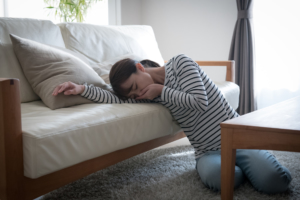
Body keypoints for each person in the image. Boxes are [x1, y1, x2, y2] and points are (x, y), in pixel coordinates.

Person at [52, 54, 292, 194]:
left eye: (136, 87)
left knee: (276, 181)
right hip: (207, 152)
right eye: (133, 95)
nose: (139, 94)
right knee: (223, 179)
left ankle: (254, 159)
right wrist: (82, 89)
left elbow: (200, 102)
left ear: (140, 67)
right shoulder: (150, 94)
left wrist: (162, 90)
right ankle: (239, 168)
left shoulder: (180, 64)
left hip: (237, 138)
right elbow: (113, 97)